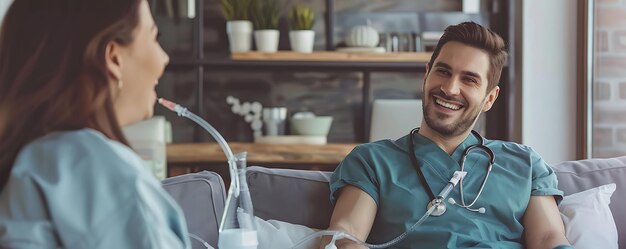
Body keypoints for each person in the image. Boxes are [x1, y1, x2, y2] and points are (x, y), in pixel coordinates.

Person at [324, 22, 572, 249]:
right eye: (443, 71)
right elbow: (345, 236)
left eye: (469, 80)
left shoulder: (525, 164)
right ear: (426, 75)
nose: (450, 88)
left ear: (490, 98)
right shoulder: (372, 161)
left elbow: (549, 239)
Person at [0, 0, 190, 248]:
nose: (163, 58)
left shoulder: (28, 162)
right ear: (113, 57)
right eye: (155, 37)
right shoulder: (93, 167)